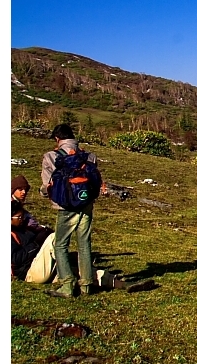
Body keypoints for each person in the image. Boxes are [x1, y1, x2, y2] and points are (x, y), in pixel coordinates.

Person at [12, 200, 154, 293]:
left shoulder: (26, 229)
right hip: (31, 273)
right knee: (54, 238)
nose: (23, 219)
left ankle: (122, 284)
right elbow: (16, 259)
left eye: (23, 216)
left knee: (83, 272)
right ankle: (67, 273)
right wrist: (38, 242)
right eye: (19, 217)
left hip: (49, 268)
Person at [39, 123, 100, 298]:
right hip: (86, 205)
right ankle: (86, 285)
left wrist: (43, 192)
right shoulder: (89, 156)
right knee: (84, 243)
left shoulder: (51, 156)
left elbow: (47, 186)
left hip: (65, 207)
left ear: (57, 138)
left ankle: (67, 284)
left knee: (60, 244)